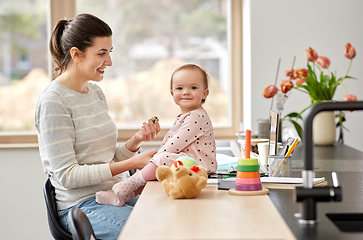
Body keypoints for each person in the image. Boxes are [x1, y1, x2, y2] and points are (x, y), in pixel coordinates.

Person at [34, 13, 160, 240]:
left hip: (113, 194)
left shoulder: (95, 93)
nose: (109, 62)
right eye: (101, 53)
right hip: (81, 205)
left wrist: (136, 141)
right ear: (76, 55)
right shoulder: (54, 101)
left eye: (109, 52)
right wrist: (132, 163)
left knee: (170, 217)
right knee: (150, 232)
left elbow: (106, 159)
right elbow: (68, 176)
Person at [96, 63, 217, 207]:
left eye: (193, 88)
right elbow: (171, 140)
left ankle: (130, 183)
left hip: (197, 165)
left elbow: (175, 144)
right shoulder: (184, 116)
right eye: (180, 88)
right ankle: (122, 197)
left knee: (161, 159)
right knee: (155, 167)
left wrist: (156, 158)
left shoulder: (197, 117)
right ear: (172, 93)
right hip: (185, 162)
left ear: (205, 93)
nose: (186, 92)